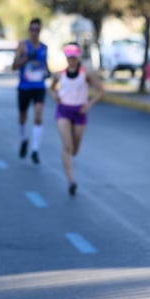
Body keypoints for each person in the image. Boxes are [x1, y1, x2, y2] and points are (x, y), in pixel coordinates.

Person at [48, 43, 105, 196]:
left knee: (75, 149)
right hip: (63, 111)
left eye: (74, 57)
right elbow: (51, 88)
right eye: (69, 57)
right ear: (66, 57)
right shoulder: (59, 74)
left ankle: (70, 163)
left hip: (80, 112)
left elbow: (100, 91)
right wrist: (54, 96)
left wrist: (89, 105)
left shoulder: (87, 73)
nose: (71, 60)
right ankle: (70, 181)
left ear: (78, 56)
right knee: (67, 145)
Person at [12, 18, 49, 164]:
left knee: (38, 113)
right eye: (33, 29)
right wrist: (26, 58)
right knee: (23, 116)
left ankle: (35, 150)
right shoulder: (22, 46)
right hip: (24, 87)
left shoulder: (44, 47)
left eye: (37, 29)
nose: (35, 32)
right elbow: (14, 66)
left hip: (39, 86)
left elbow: (45, 65)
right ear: (29, 30)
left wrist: (48, 72)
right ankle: (24, 139)